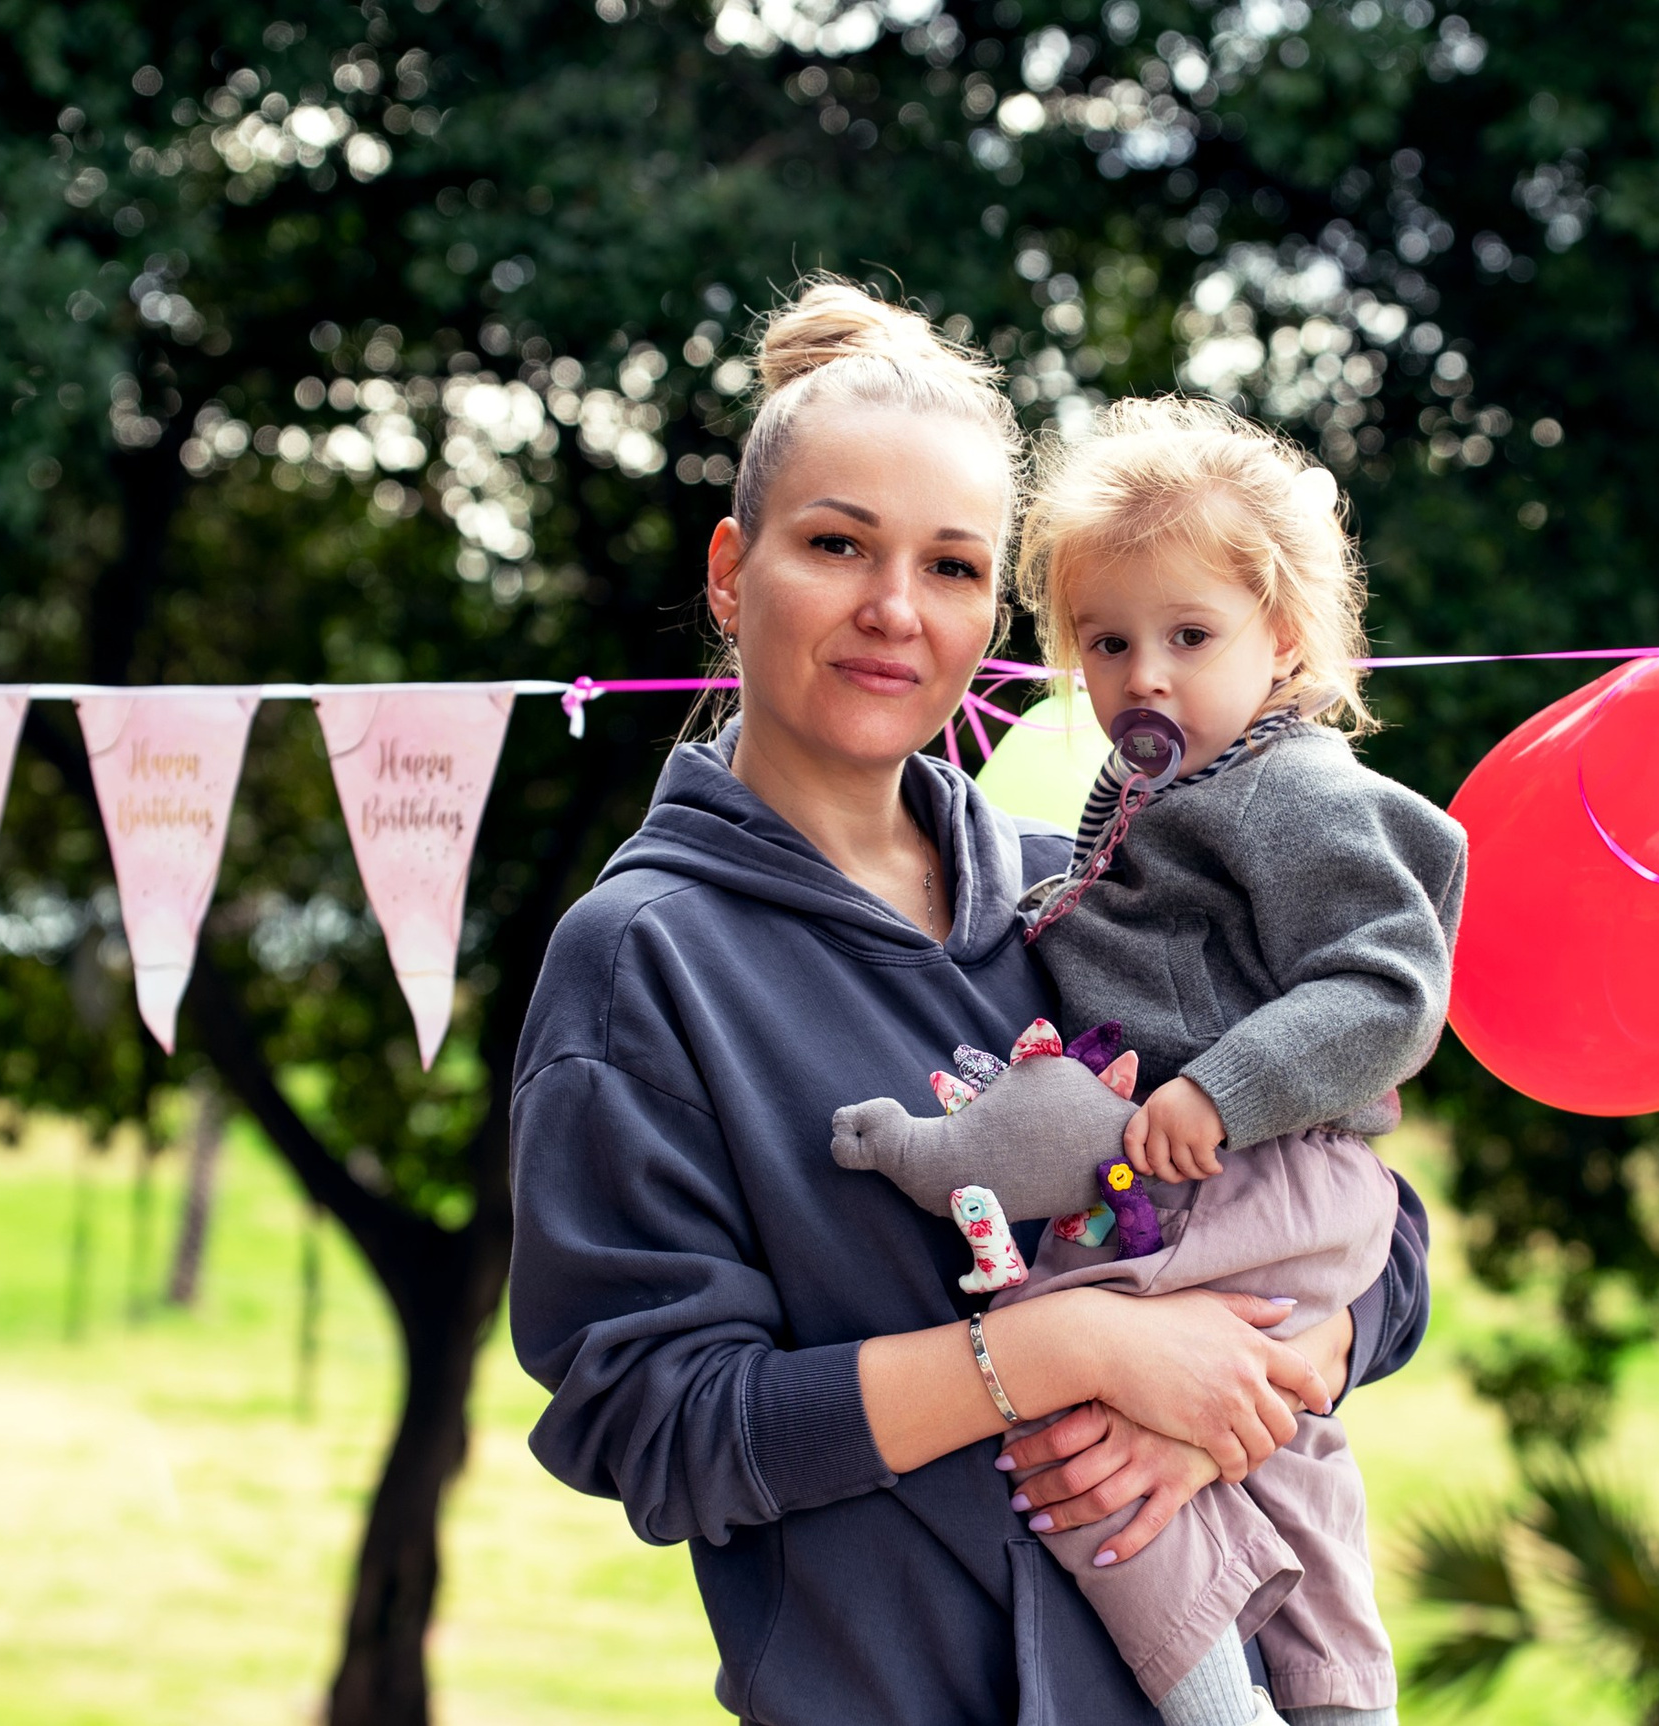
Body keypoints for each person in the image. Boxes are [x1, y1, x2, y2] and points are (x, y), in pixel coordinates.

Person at [505, 281, 1434, 1726]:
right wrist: (1061, 1352)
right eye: (836, 546)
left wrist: (1258, 1383)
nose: (894, 609)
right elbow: (660, 1424)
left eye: (949, 567)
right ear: (732, 570)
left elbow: (1374, 1226)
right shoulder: (647, 958)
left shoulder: (1080, 889)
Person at [989, 397, 1465, 1726]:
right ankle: (1337, 1701)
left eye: (1189, 636)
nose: (1145, 674)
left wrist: (1222, 1086)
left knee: (1060, 1409)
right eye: (1107, 640)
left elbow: (1390, 985)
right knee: (1284, 1451)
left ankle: (1224, 1708)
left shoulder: (1286, 787)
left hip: (1248, 1168)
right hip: (1244, 1180)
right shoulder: (1159, 791)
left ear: (1286, 640)